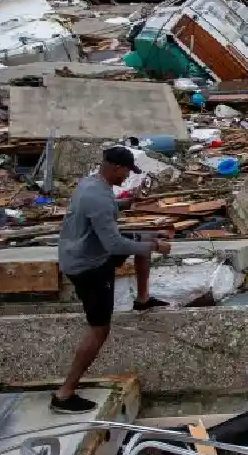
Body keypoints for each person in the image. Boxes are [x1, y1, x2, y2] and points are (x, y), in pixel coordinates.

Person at [51, 145, 171, 414]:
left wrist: (128, 205)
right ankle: (65, 393)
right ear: (116, 168)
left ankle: (142, 299)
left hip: (81, 251)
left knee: (142, 237)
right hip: (88, 266)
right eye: (127, 172)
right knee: (99, 329)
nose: (128, 177)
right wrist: (154, 247)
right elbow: (115, 245)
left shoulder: (91, 183)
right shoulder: (98, 197)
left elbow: (105, 214)